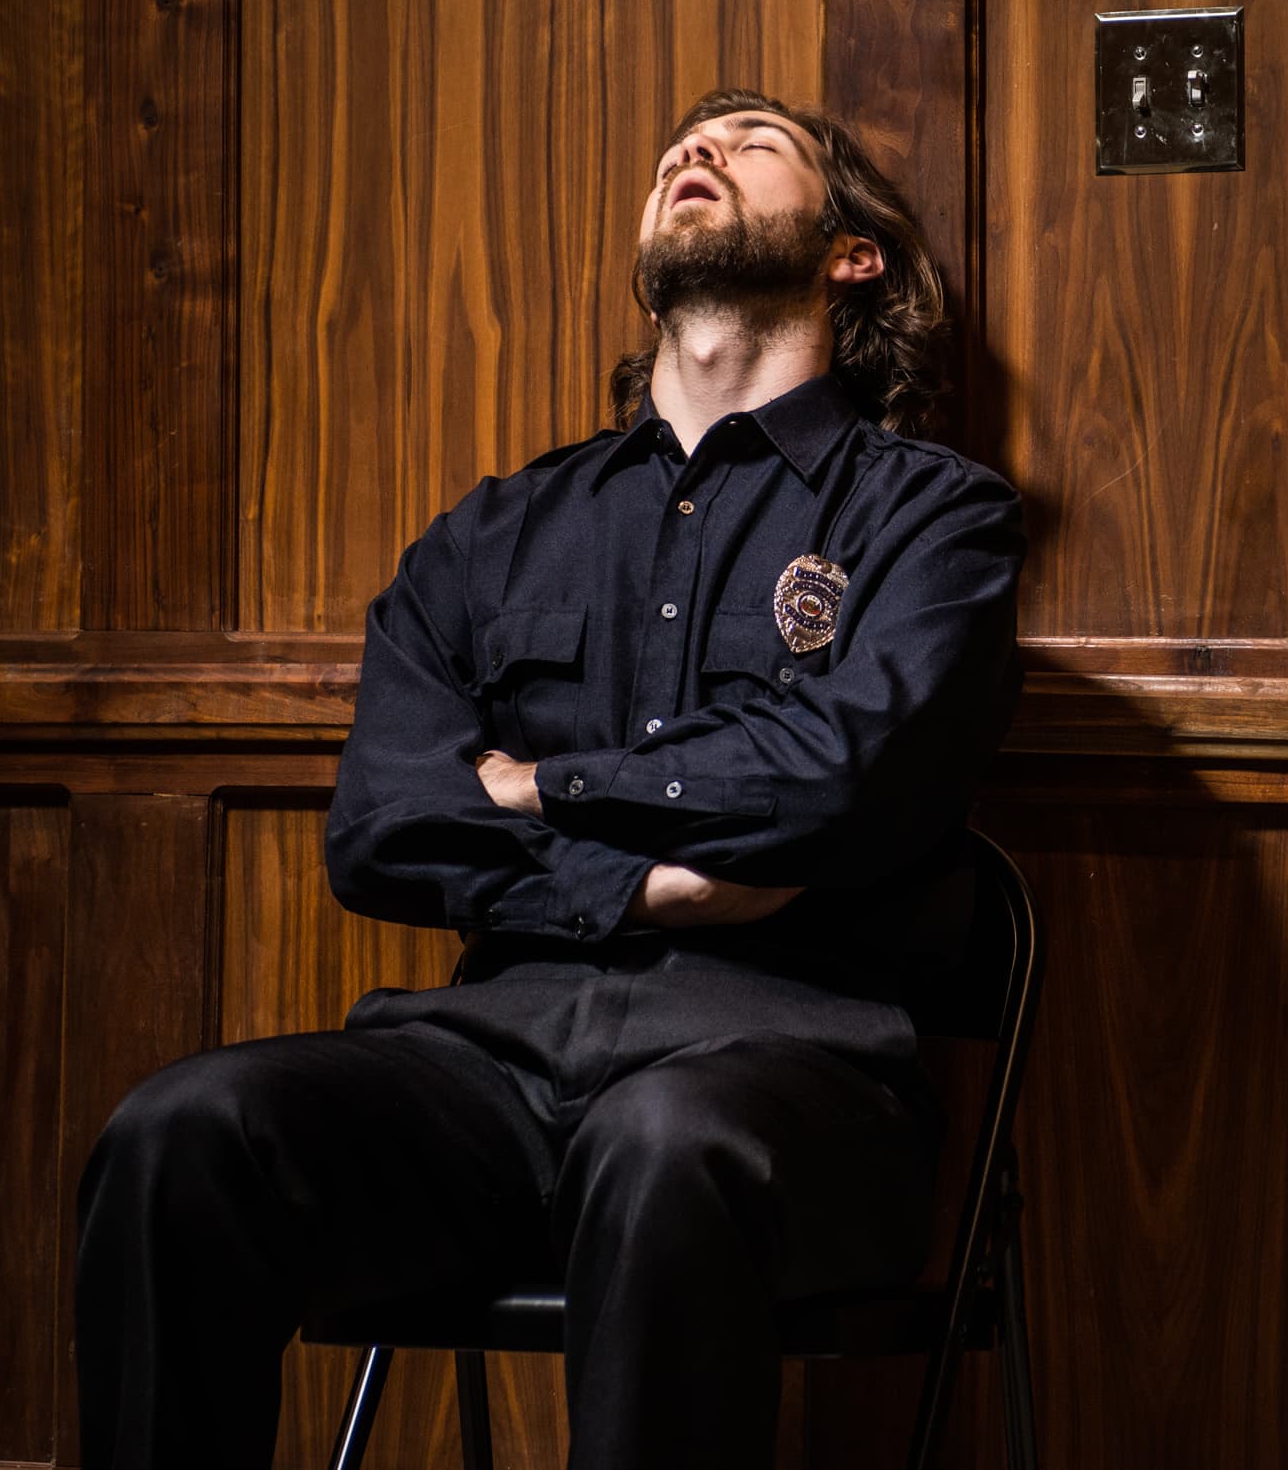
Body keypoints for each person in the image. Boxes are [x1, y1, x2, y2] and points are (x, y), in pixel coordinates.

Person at [74, 89, 1026, 1469]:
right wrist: (667, 871)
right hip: (490, 1075)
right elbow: (384, 825)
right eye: (677, 148)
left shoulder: (931, 518)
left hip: (787, 1078)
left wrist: (539, 788)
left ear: (850, 253)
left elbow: (847, 774)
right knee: (179, 1135)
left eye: (752, 140)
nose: (691, 150)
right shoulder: (495, 534)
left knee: (662, 1143)